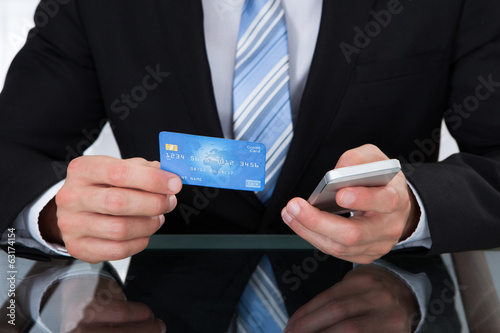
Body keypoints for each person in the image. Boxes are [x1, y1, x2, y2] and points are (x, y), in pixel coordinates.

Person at [0, 0, 499, 329]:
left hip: (386, 293)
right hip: (162, 307)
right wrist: (50, 212)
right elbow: (11, 148)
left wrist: (414, 208)